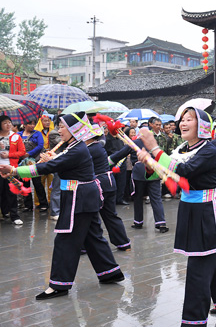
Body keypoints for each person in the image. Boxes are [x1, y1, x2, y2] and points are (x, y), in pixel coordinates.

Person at [137, 107, 216, 327]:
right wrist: (150, 163)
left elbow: (183, 172)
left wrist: (154, 149)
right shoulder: (182, 150)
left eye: (189, 120)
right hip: (190, 210)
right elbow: (167, 176)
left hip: (206, 211)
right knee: (209, 259)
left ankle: (194, 323)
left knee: (197, 267)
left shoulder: (210, 151)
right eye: (181, 120)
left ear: (202, 125)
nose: (183, 124)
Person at [0, 113, 124, 299]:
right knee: (92, 236)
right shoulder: (74, 146)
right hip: (82, 197)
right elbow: (58, 163)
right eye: (59, 126)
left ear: (74, 129)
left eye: (62, 127)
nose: (59, 130)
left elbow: (48, 168)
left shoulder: (78, 149)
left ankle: (59, 284)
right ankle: (110, 272)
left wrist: (16, 170)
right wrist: (52, 159)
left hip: (79, 198)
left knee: (66, 240)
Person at [109, 125, 169, 233]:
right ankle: (161, 223)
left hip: (139, 173)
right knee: (156, 198)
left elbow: (120, 154)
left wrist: (107, 160)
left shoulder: (135, 143)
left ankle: (138, 222)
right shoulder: (154, 143)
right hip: (154, 171)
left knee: (138, 198)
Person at [84, 124, 131, 251]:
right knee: (110, 216)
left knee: (90, 217)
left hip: (99, 186)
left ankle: (88, 246)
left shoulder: (89, 149)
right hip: (108, 184)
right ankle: (123, 243)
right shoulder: (97, 146)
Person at [19, 119, 50, 212]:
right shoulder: (18, 135)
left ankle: (43, 203)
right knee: (25, 184)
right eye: (30, 124)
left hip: (36, 162)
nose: (32, 126)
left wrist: (29, 153)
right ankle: (28, 205)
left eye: (33, 124)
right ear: (24, 125)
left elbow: (40, 145)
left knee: (37, 183)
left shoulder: (37, 133)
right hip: (23, 163)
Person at [0, 115, 25, 225]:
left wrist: (9, 155)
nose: (8, 124)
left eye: (9, 122)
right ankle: (4, 212)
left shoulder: (15, 136)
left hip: (11, 169)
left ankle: (14, 216)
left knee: (12, 192)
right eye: (5, 123)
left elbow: (22, 152)